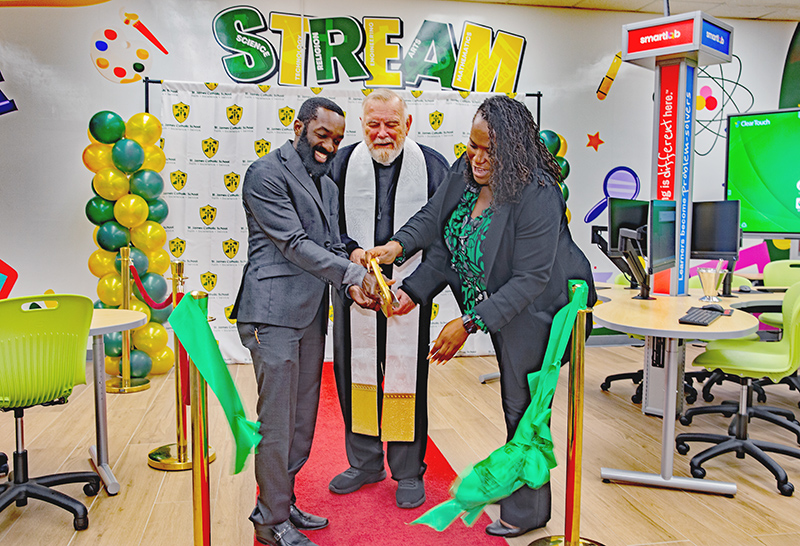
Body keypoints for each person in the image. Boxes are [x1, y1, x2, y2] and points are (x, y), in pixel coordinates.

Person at [368, 95, 596, 537]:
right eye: (472, 146)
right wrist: (399, 253)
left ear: (514, 150)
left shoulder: (538, 193)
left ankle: (528, 510)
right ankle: (515, 488)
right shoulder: (465, 170)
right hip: (496, 299)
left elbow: (530, 279)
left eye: (489, 151)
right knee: (515, 401)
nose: (477, 158)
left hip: (539, 309)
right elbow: (442, 229)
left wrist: (469, 323)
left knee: (524, 408)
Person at [231, 97, 381, 546]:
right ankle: (270, 519)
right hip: (272, 315)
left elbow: (333, 246)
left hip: (312, 314)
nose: (330, 146)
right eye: (322, 136)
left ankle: (283, 499)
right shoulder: (265, 174)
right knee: (276, 423)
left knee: (301, 421)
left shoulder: (328, 186)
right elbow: (293, 243)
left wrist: (355, 284)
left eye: (336, 139)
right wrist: (353, 273)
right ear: (297, 127)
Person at [327, 89, 449, 509]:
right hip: (355, 289)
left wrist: (416, 291)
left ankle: (408, 470)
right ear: (362, 125)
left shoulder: (433, 166)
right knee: (352, 373)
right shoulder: (342, 163)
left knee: (408, 378)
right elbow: (328, 226)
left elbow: (442, 236)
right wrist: (351, 255)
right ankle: (364, 463)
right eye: (373, 124)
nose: (382, 133)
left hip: (408, 296)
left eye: (391, 124)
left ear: (408, 124)